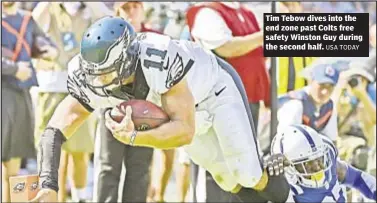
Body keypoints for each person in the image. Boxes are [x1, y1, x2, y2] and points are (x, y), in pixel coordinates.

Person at [30, 16, 290, 203]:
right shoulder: (89, 75)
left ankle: (287, 192)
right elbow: (54, 131)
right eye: (94, 75)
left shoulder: (159, 57)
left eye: (106, 74)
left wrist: (133, 137)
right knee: (227, 179)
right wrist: (48, 184)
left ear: (126, 60)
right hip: (178, 111)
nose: (98, 83)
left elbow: (185, 131)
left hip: (215, 91)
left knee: (247, 171)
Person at [31, 2, 107, 202]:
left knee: (80, 151)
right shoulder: (51, 9)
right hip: (50, 88)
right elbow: (33, 21)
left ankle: (79, 197)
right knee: (49, 151)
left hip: (81, 89)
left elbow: (108, 19)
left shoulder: (90, 10)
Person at [1, 2, 57, 202]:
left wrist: (48, 51)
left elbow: (46, 43)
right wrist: (14, 68)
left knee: (15, 161)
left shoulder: (27, 20)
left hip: (20, 93)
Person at [270, 124, 376, 202]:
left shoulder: (330, 168)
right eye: (307, 163)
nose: (317, 167)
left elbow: (358, 178)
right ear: (289, 169)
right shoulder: (281, 189)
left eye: (319, 158)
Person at [277, 63, 340, 143]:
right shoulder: (295, 104)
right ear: (311, 81)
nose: (325, 92)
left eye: (330, 87)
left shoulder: (329, 106)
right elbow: (285, 141)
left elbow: (330, 140)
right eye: (321, 85)